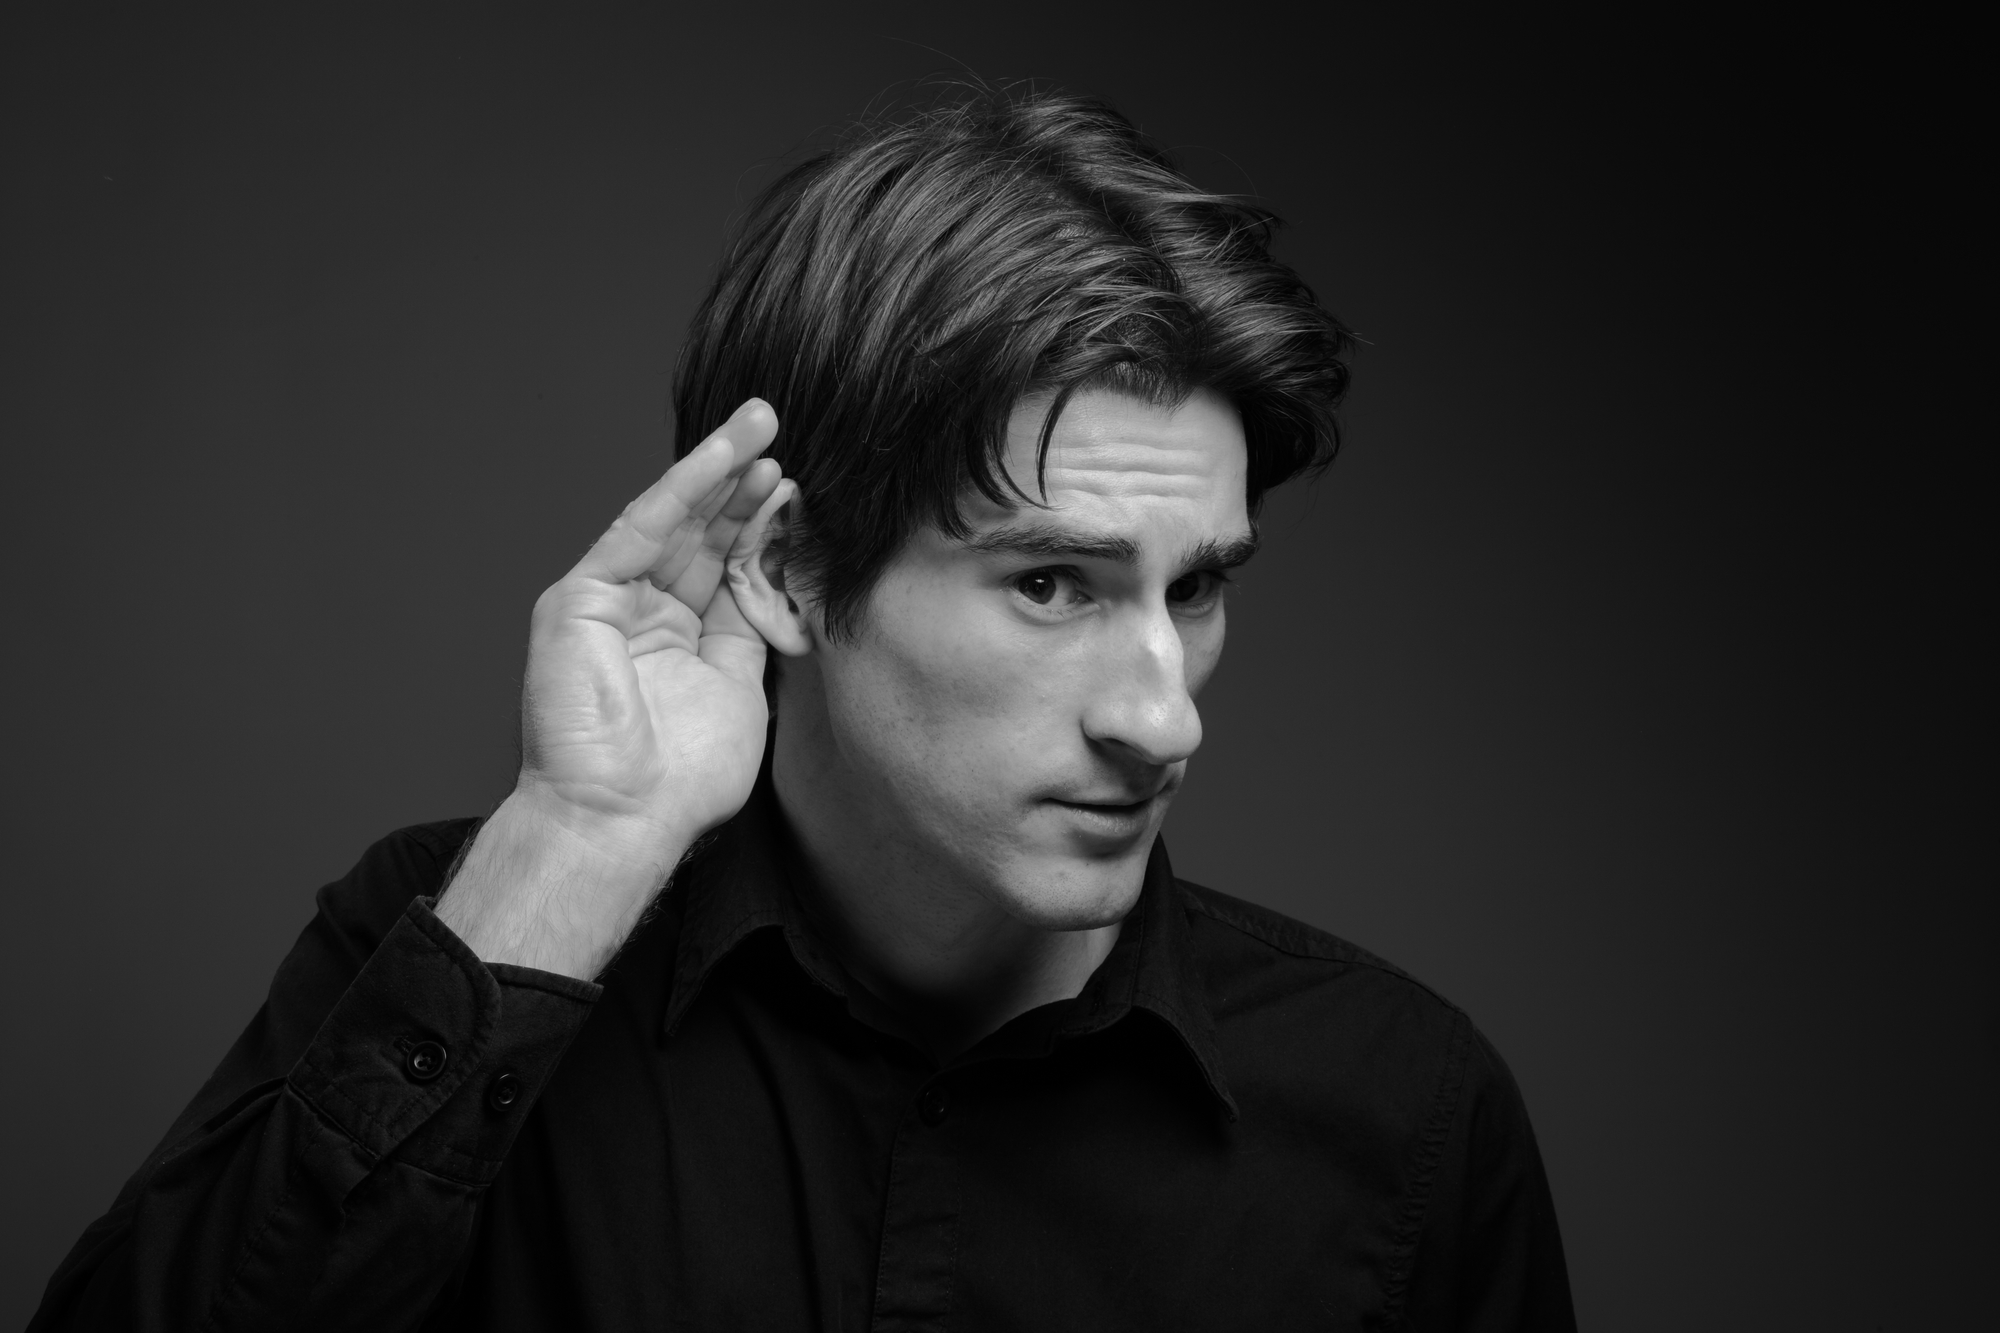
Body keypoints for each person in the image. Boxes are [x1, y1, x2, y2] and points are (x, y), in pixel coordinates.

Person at [31, 88, 1574, 1331]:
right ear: (786, 570)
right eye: (1053, 584)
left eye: (1200, 586)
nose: (1165, 721)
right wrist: (573, 846)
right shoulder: (456, 944)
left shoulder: (1404, 1115)